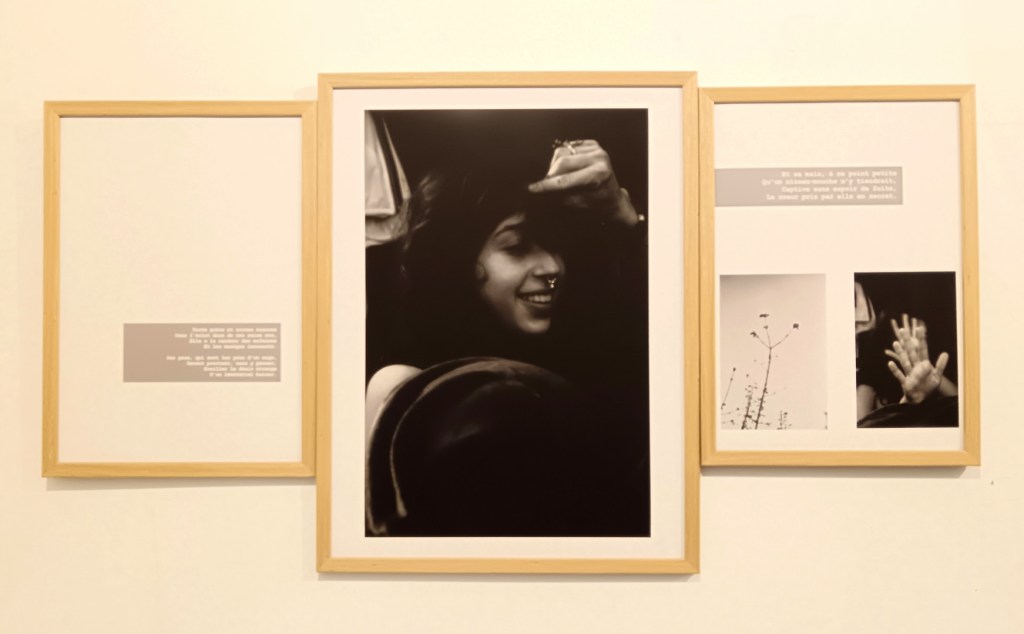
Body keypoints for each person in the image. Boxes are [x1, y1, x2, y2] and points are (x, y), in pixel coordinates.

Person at [364, 140, 650, 536]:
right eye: (516, 247)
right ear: (453, 263)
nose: (551, 267)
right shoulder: (412, 387)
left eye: (554, 244)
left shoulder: (589, 358)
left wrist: (626, 219)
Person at [854, 278, 959, 427]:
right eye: (905, 336)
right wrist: (906, 403)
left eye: (922, 336)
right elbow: (859, 426)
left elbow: (965, 409)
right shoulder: (871, 378)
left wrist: (931, 372)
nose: (914, 344)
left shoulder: (936, 372)